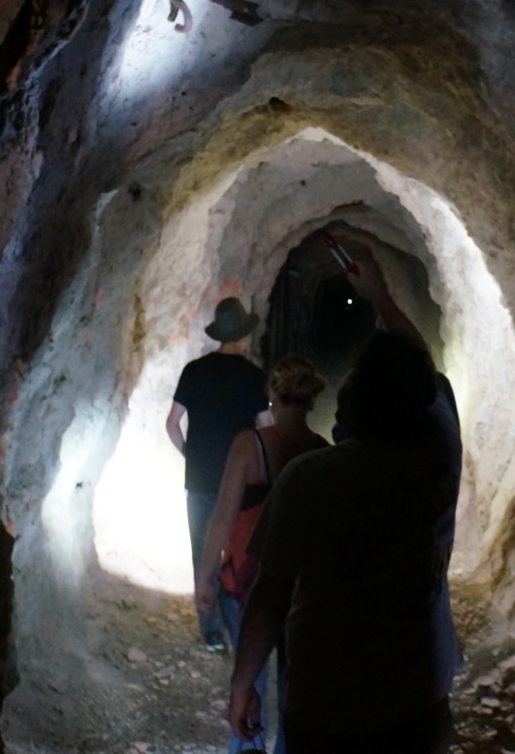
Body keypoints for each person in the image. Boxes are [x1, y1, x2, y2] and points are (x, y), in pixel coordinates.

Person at [227, 256, 464, 753]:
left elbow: (269, 598)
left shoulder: (313, 478)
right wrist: (380, 295)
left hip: (332, 705)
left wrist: (242, 684)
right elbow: (424, 370)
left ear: (354, 401)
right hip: (419, 694)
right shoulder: (441, 452)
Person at [196, 355, 331, 754]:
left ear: (272, 394)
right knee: (295, 686)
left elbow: (222, 516)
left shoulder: (248, 445)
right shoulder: (320, 451)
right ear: (309, 401)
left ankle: (245, 748)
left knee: (248, 678)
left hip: (247, 578)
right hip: (299, 584)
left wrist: (204, 575)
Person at [167, 296, 270, 650]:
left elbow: (172, 425)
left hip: (198, 480)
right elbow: (265, 428)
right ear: (242, 336)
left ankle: (210, 632)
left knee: (203, 551)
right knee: (236, 551)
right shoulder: (254, 377)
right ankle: (235, 620)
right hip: (239, 483)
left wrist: (190, 455)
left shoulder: (193, 372)